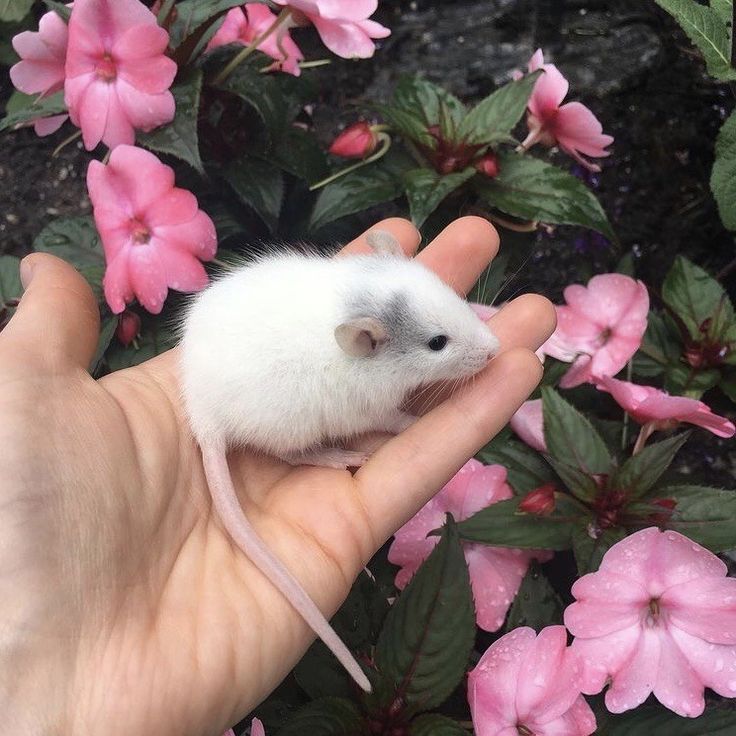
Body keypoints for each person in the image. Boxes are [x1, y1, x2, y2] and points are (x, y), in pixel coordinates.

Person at [0, 217, 555, 735]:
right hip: (250, 403)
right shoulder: (359, 363)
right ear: (367, 343)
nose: (481, 348)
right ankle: (294, 453)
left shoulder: (361, 318)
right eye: (440, 344)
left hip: (227, 359)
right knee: (312, 414)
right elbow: (364, 410)